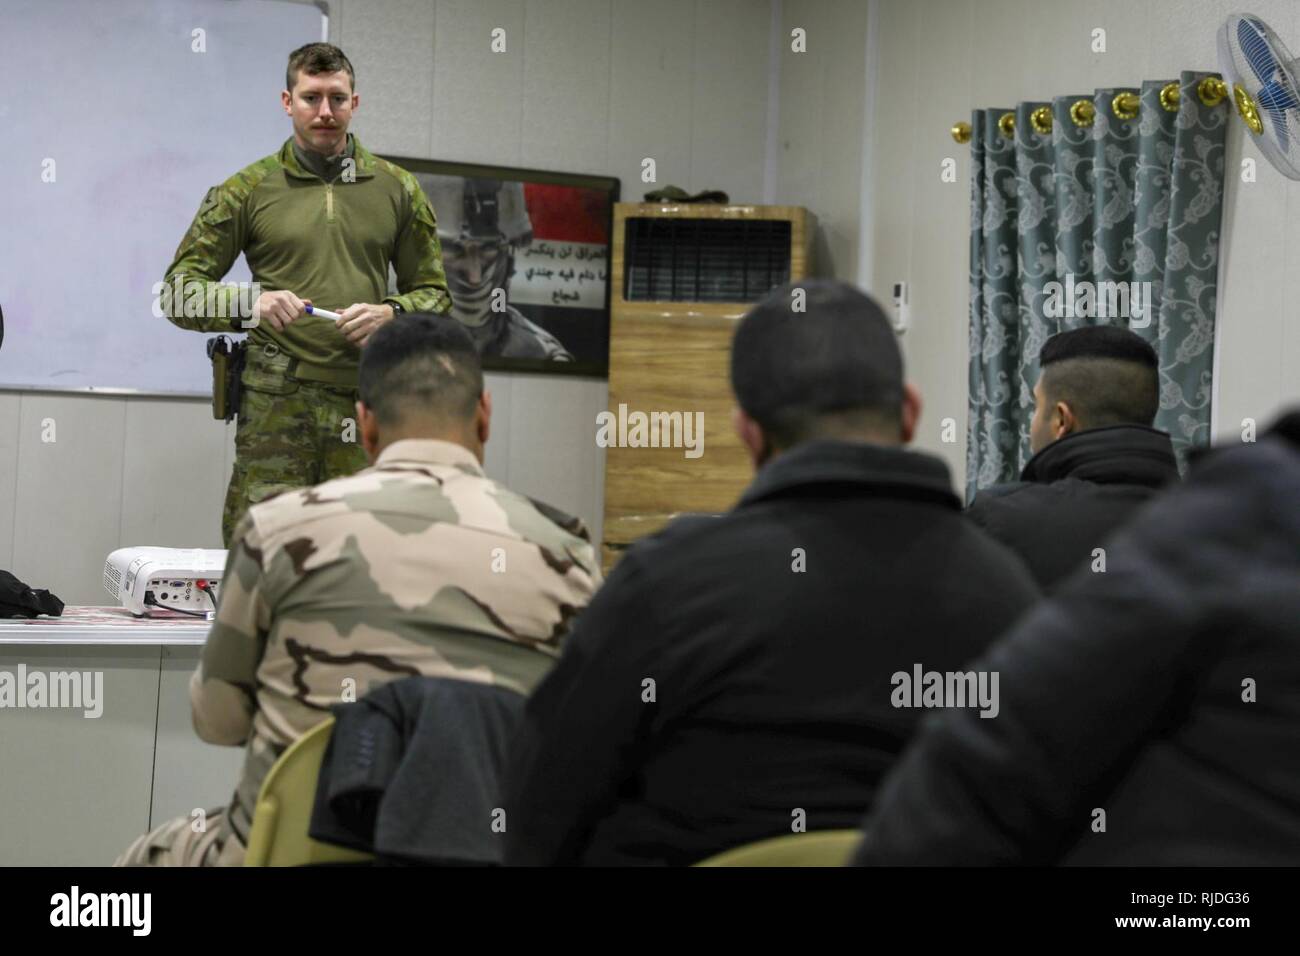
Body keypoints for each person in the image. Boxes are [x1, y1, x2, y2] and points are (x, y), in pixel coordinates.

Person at [502, 280, 1040, 866]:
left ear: (749, 434)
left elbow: (540, 811)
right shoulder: (1010, 595)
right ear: (910, 413)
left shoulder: (666, 582)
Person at [116, 315, 600, 866]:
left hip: (295, 853)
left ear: (364, 424)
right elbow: (581, 750)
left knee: (147, 858)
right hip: (481, 853)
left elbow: (217, 721)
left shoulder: (278, 531)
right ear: (484, 415)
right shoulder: (567, 556)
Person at [852, 410, 1300, 866]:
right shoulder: (1211, 520)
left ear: (1060, 420)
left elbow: (982, 749)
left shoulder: (1241, 516)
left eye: (1034, 408)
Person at [160, 42, 452, 547]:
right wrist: (250, 304)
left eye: (337, 99)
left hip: (366, 404)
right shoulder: (247, 190)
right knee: (265, 557)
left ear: (354, 103)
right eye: (311, 98)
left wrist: (394, 312)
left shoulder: (398, 189)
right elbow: (177, 294)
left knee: (363, 557)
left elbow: (435, 296)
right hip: (277, 406)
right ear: (287, 101)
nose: (324, 112)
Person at [967, 326, 1180, 589]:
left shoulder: (1000, 520)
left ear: (1061, 420)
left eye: (1036, 406)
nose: (1032, 423)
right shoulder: (1214, 525)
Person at [421, 175, 573, 361]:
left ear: (508, 257)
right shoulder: (385, 348)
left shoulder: (543, 355)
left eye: (488, 251)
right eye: (454, 251)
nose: (475, 277)